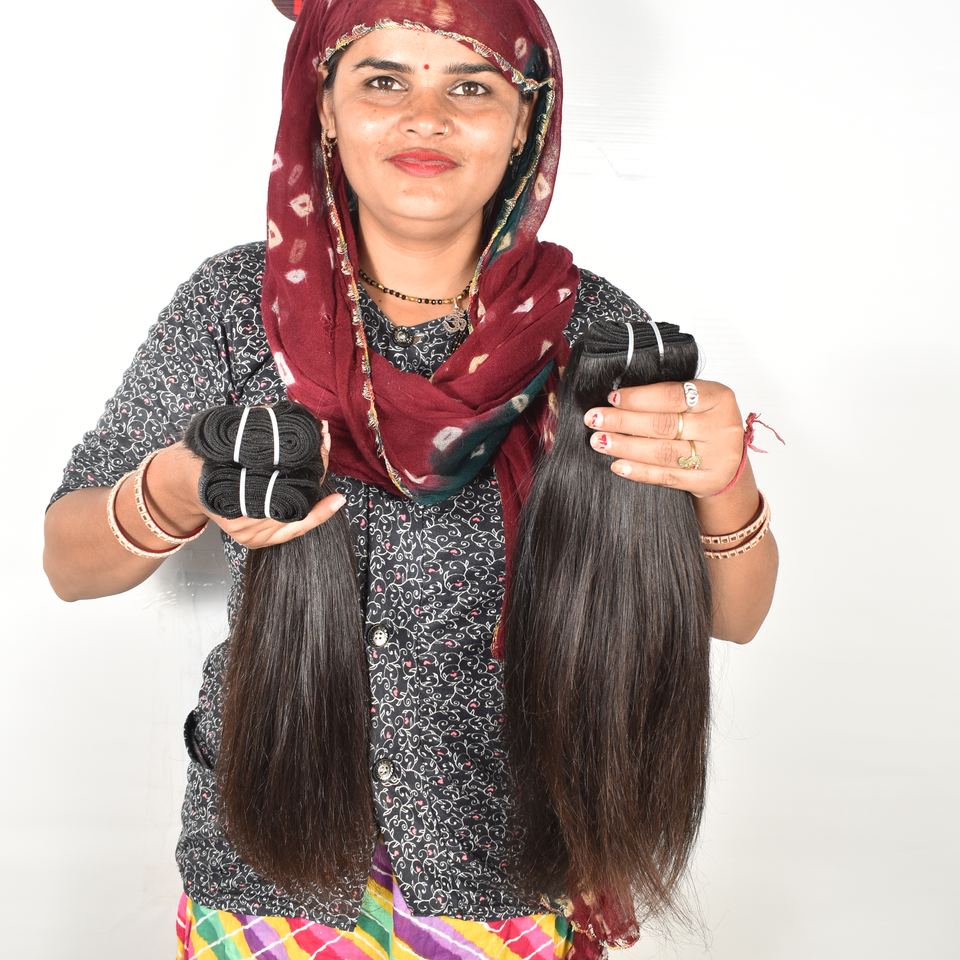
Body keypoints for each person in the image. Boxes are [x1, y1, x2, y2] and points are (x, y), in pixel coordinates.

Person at [42, 0, 779, 957]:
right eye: (383, 80)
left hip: (511, 866)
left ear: (525, 119)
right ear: (324, 105)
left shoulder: (593, 333)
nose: (425, 118)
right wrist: (187, 483)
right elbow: (69, 563)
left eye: (470, 87)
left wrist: (722, 479)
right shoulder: (234, 307)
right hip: (269, 864)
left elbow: (732, 617)